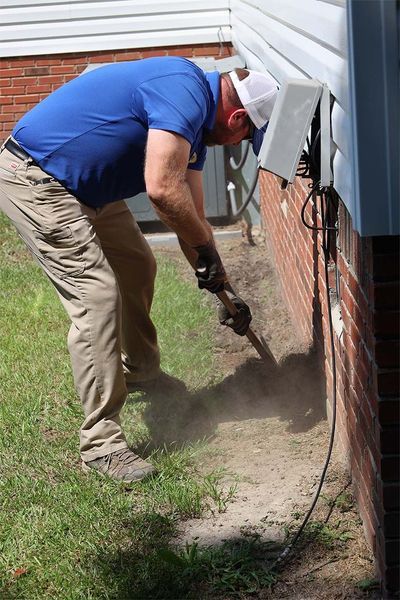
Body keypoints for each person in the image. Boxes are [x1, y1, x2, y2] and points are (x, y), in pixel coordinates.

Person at [0, 56, 277, 483]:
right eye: (246, 136)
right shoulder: (183, 93)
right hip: (37, 178)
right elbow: (163, 190)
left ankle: (142, 373)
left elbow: (192, 218)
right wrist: (204, 249)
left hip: (87, 186)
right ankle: (102, 444)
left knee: (137, 266)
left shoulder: (196, 122)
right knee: (97, 297)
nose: (239, 144)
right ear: (238, 117)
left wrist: (222, 284)